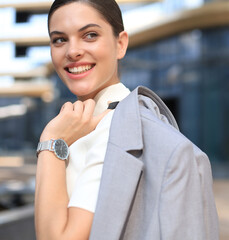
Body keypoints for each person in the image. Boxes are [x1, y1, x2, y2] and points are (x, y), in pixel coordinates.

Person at [35, 0, 219, 239]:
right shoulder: (97, 123)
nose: (72, 51)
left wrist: (51, 142)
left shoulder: (115, 130)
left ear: (120, 44)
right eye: (59, 39)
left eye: (90, 35)